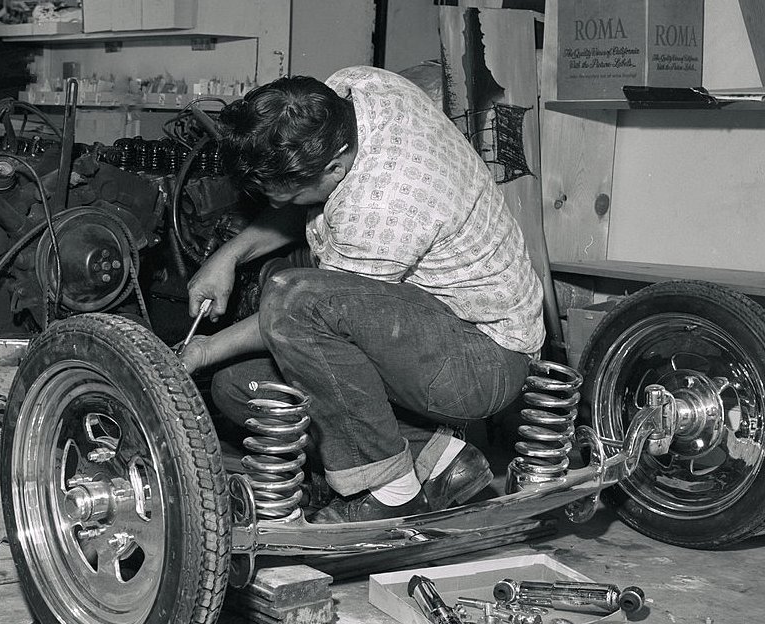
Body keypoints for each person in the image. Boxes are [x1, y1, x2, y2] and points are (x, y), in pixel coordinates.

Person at [181, 65, 545, 524]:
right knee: (237, 389)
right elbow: (315, 202)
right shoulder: (356, 90)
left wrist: (206, 347)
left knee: (291, 298)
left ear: (335, 166)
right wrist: (229, 256)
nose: (281, 208)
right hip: (425, 329)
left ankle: (390, 489)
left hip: (481, 358)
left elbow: (300, 312)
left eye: (286, 198)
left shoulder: (382, 206)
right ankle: (440, 458)